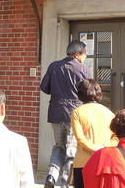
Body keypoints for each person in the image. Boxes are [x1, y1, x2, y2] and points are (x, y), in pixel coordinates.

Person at [40, 40, 92, 188]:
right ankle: (66, 184)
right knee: (71, 150)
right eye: (84, 53)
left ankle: (51, 175)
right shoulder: (83, 69)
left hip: (55, 112)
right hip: (74, 114)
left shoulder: (54, 66)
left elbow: (44, 87)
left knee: (59, 146)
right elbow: (89, 93)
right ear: (77, 54)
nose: (85, 56)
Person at [71, 79, 117, 188]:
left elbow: (80, 139)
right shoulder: (109, 113)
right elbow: (116, 137)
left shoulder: (77, 112)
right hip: (105, 162)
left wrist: (95, 148)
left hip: (83, 162)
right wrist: (104, 147)